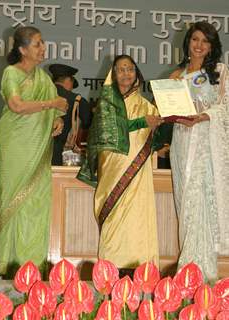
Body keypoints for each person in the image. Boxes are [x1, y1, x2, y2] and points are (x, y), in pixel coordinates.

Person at [78, 54, 163, 276]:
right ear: (113, 76)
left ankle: (139, 272)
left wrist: (155, 129)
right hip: (113, 171)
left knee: (138, 218)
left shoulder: (148, 106)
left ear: (137, 74)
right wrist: (141, 122)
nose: (126, 73)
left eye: (130, 69)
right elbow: (107, 131)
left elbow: (153, 145)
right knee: (114, 220)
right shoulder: (106, 104)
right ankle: (110, 271)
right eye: (120, 69)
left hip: (138, 173)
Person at [0, 26, 68, 278]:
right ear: (23, 50)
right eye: (37, 44)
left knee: (36, 202)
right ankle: (6, 266)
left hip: (37, 147)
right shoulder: (11, 73)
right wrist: (51, 104)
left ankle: (31, 267)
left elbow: (60, 106)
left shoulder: (44, 78)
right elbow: (16, 105)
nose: (43, 47)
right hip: (15, 145)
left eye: (42, 42)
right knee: (14, 200)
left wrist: (57, 119)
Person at [169, 21, 229, 282]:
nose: (199, 45)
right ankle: (191, 269)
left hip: (206, 143)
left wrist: (203, 116)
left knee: (200, 200)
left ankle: (197, 272)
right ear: (188, 43)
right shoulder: (176, 75)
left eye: (205, 41)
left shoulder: (220, 71)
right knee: (185, 203)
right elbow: (169, 110)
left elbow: (225, 108)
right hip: (182, 143)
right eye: (195, 39)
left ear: (212, 45)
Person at [49, 64, 92, 165]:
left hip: (33, 149)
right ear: (69, 80)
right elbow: (89, 123)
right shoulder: (76, 100)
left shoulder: (39, 96)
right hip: (56, 153)